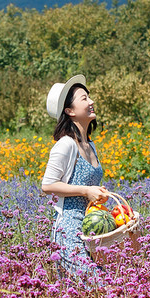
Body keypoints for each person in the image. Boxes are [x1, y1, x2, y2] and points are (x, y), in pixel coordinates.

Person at [41, 75, 110, 283]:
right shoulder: (66, 144)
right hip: (69, 230)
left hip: (91, 230)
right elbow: (47, 185)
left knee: (86, 295)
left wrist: (97, 193)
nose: (91, 102)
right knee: (100, 287)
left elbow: (87, 186)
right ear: (69, 111)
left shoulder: (90, 145)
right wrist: (85, 191)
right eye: (84, 98)